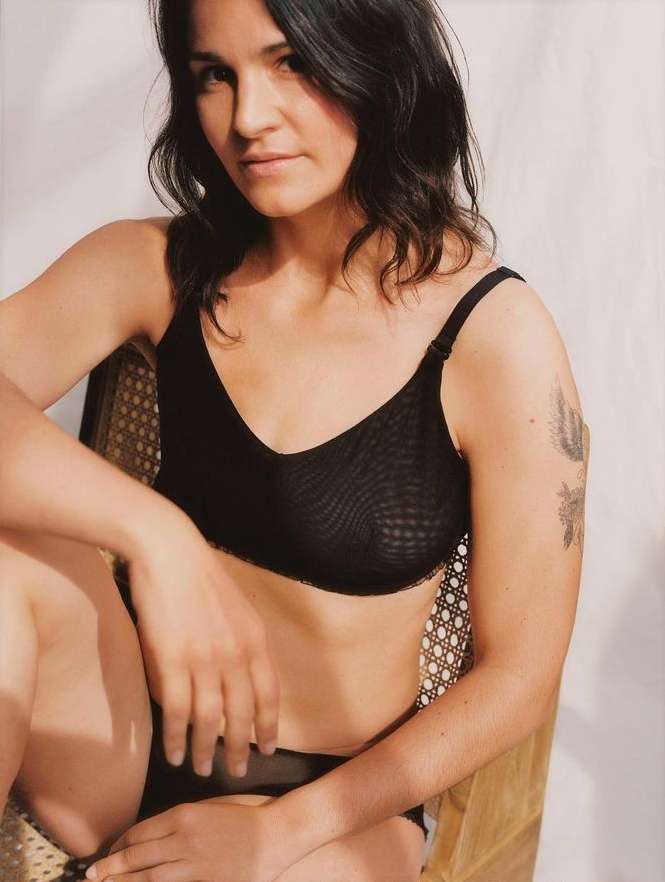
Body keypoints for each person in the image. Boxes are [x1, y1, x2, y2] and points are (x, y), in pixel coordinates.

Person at [0, 0, 590, 880]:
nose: (247, 117)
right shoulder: (157, 266)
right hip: (111, 738)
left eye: (292, 64)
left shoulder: (492, 339)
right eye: (215, 75)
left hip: (321, 803)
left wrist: (281, 835)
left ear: (376, 63)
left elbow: (519, 680)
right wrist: (156, 536)